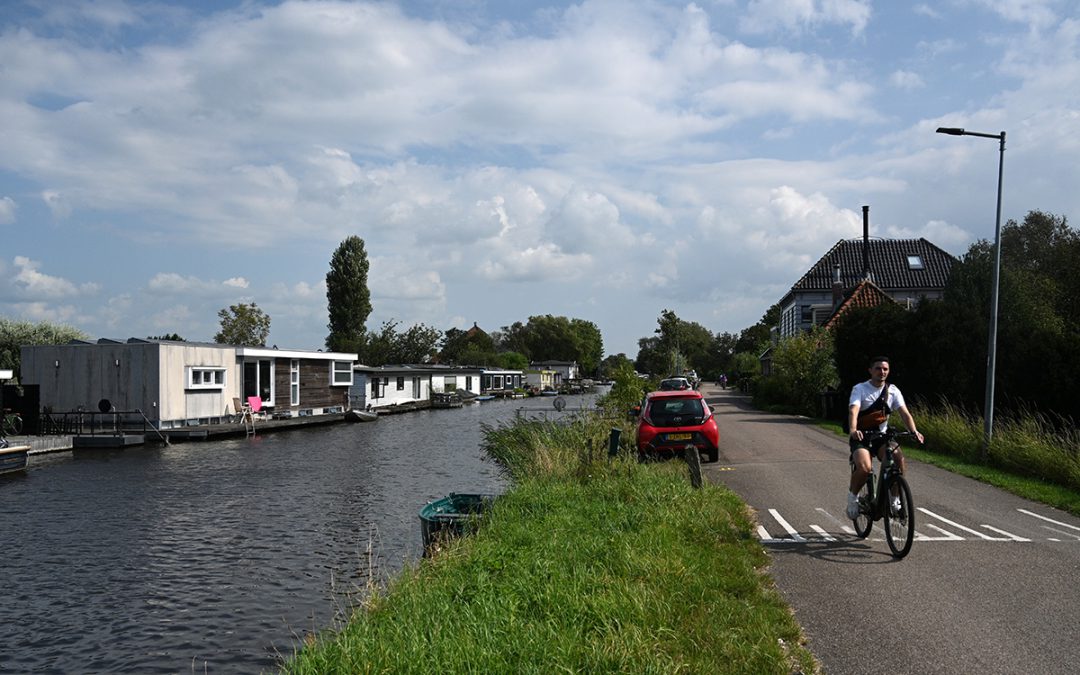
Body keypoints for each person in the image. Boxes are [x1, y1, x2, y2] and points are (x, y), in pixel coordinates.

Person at [845, 356, 924, 519]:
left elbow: (904, 413)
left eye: (885, 369)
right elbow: (853, 410)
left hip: (881, 437)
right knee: (865, 468)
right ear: (870, 371)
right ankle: (853, 498)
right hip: (862, 436)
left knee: (898, 460)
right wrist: (853, 430)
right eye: (878, 368)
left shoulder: (893, 391)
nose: (882, 372)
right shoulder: (860, 389)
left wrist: (914, 431)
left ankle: (894, 500)